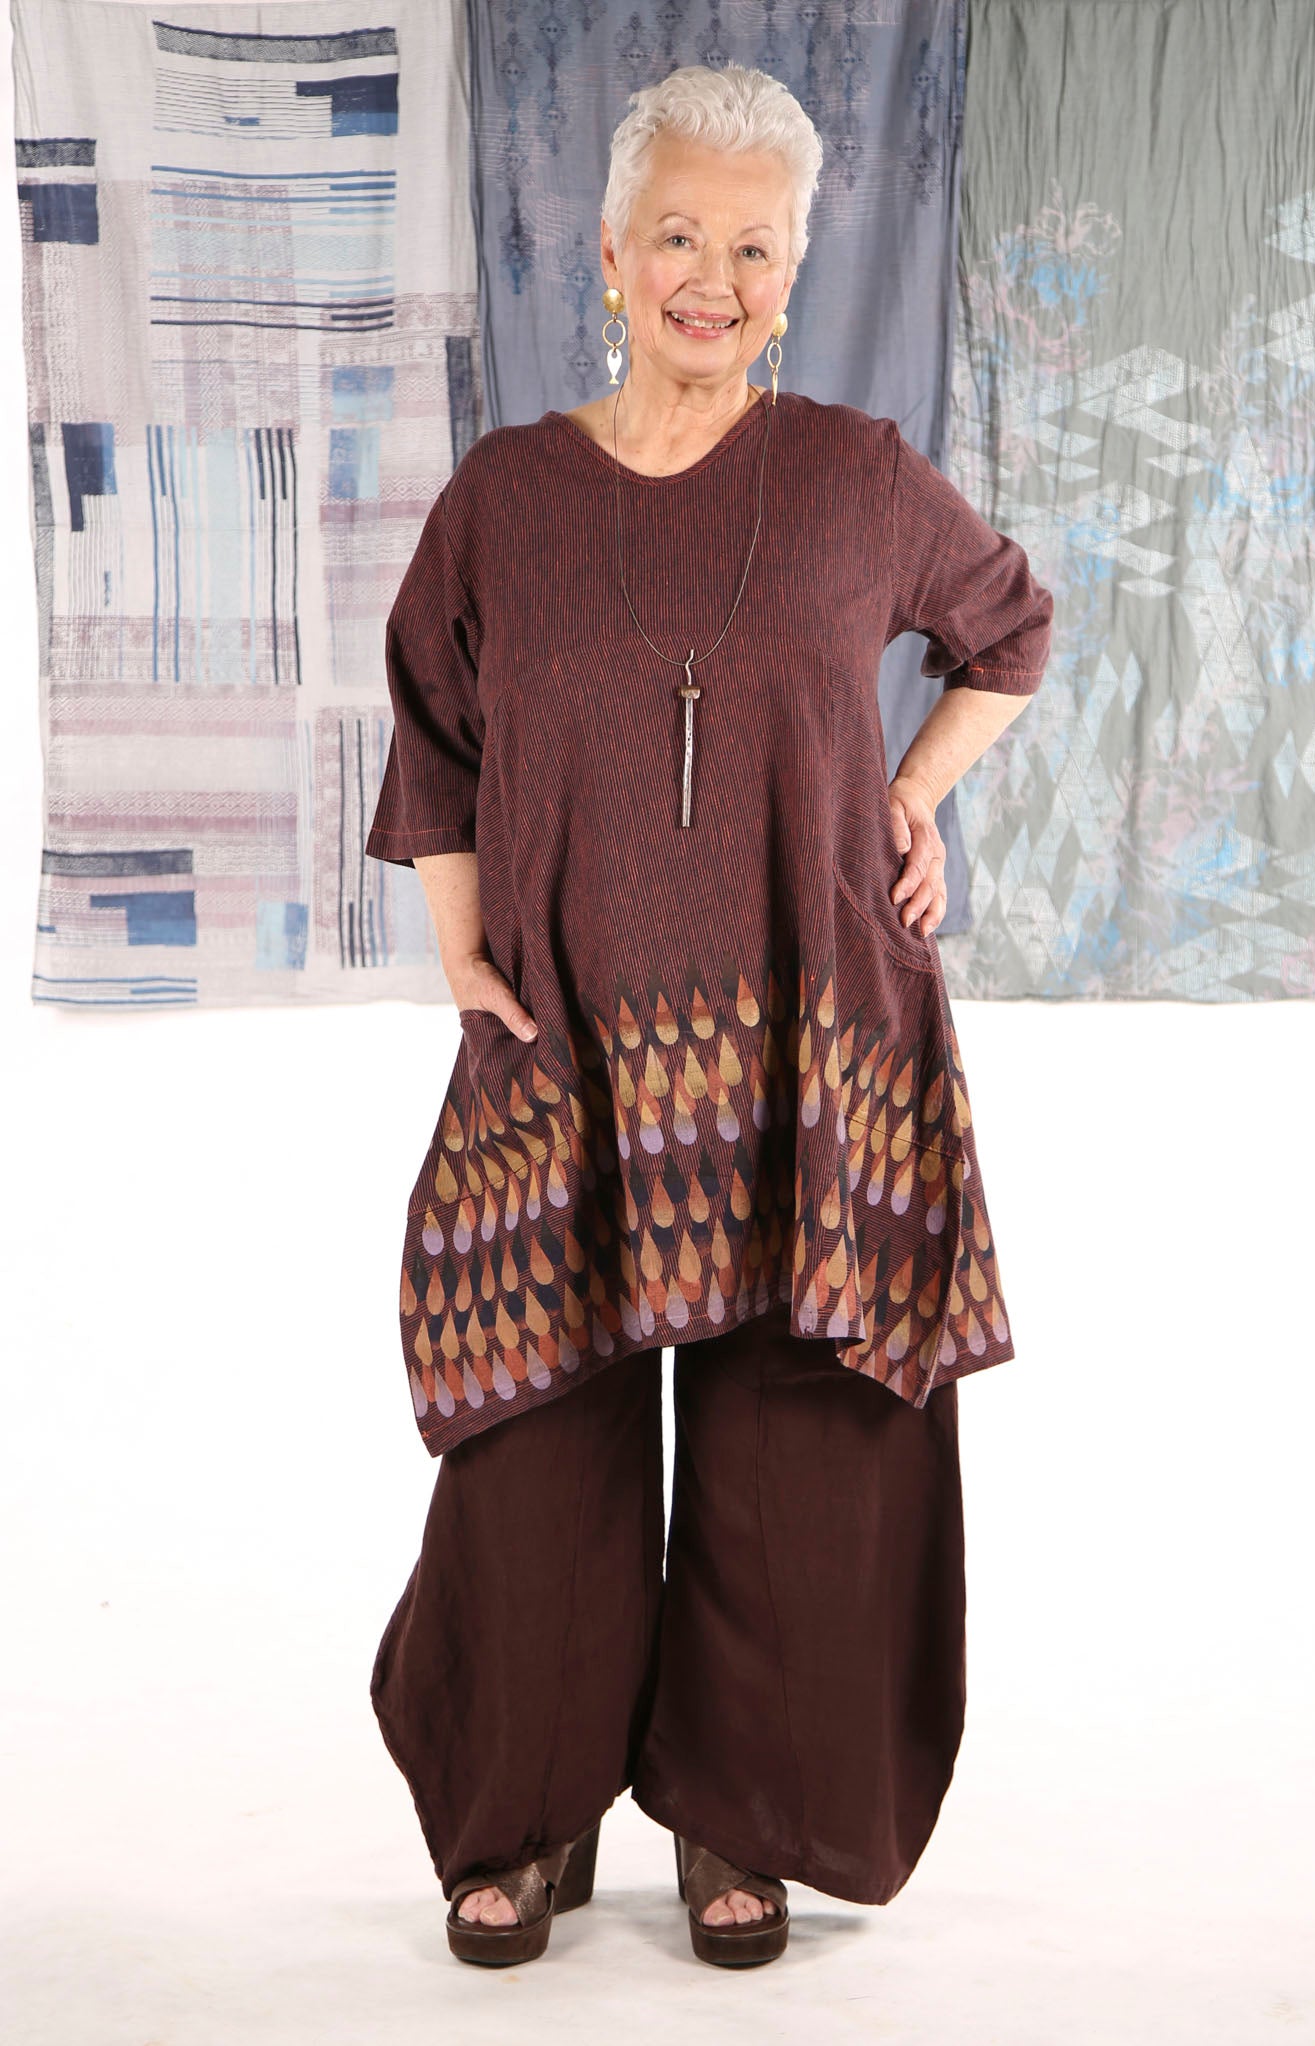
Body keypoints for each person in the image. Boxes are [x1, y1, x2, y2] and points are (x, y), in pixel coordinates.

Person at [364, 61, 1053, 1970]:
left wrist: (908, 798)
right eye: (680, 235)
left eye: (756, 248)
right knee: (536, 1441)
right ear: (609, 254)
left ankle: (741, 1819)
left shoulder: (856, 476)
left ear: (794, 274)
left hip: (813, 1034)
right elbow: (429, 725)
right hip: (568, 1037)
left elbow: (1011, 630)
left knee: (792, 1455)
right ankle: (526, 1812)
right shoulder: (508, 498)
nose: (714, 279)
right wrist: (463, 951)